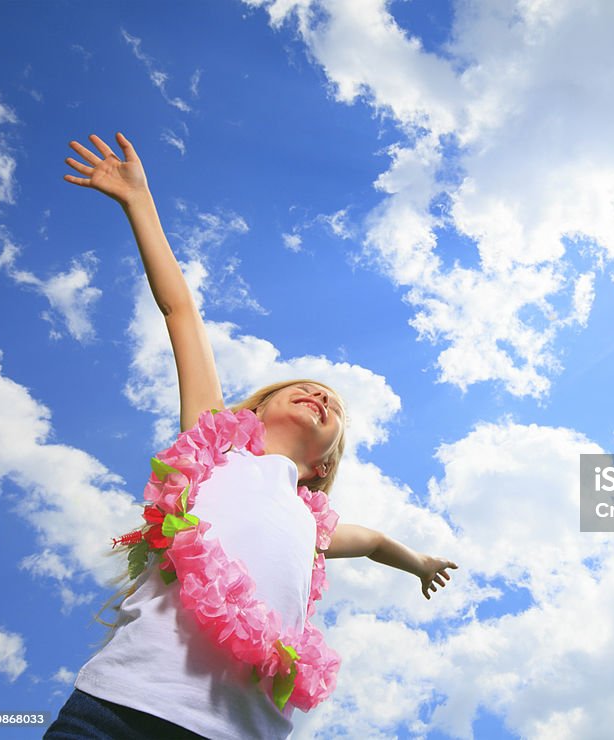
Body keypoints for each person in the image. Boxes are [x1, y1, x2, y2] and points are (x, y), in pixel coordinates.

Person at [46, 132, 458, 739]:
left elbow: (372, 542)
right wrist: (139, 201)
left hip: (242, 730)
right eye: (306, 387)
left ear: (321, 467)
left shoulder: (310, 521)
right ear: (257, 409)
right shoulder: (215, 448)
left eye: (335, 410)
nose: (322, 395)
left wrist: (418, 562)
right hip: (126, 706)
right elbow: (179, 311)